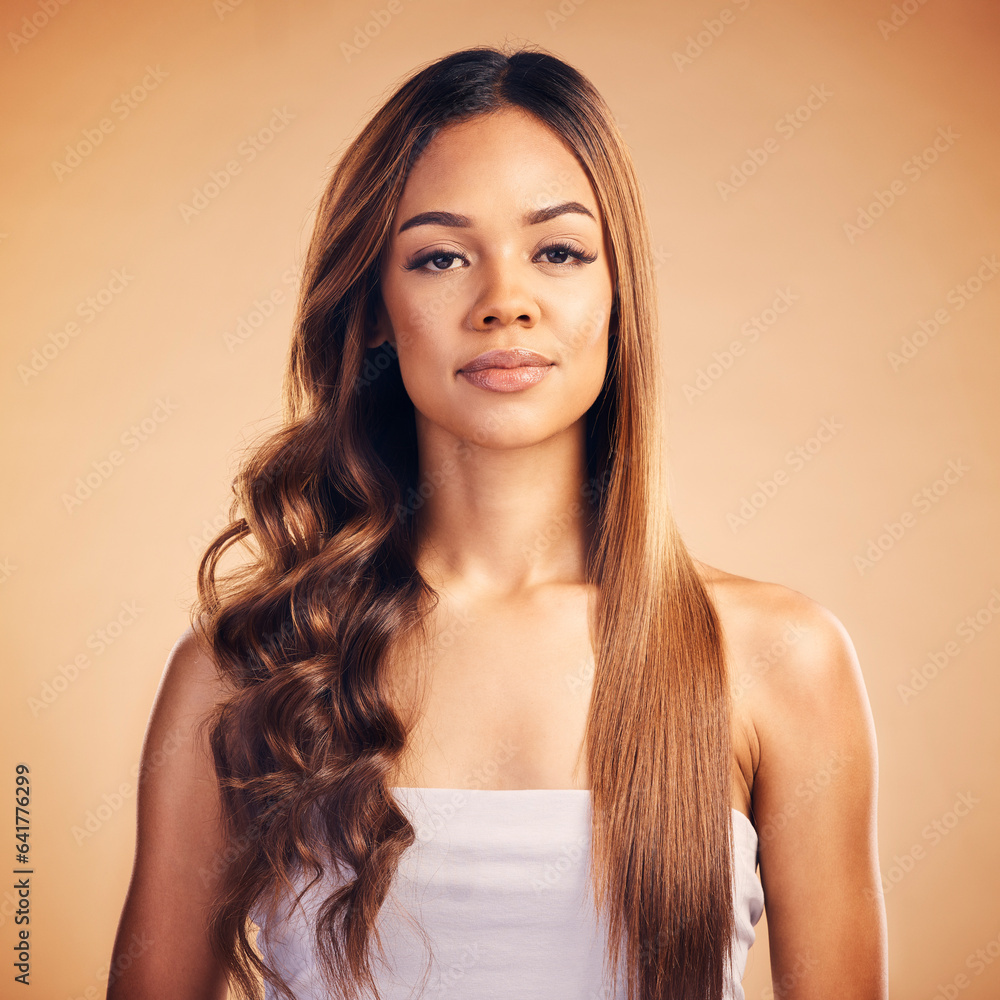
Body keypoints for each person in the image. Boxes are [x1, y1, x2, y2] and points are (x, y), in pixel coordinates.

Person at [106, 44, 888, 1000]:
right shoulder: (247, 672)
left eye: (557, 252)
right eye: (440, 257)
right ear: (380, 311)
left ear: (616, 292)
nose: (504, 303)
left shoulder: (781, 659)